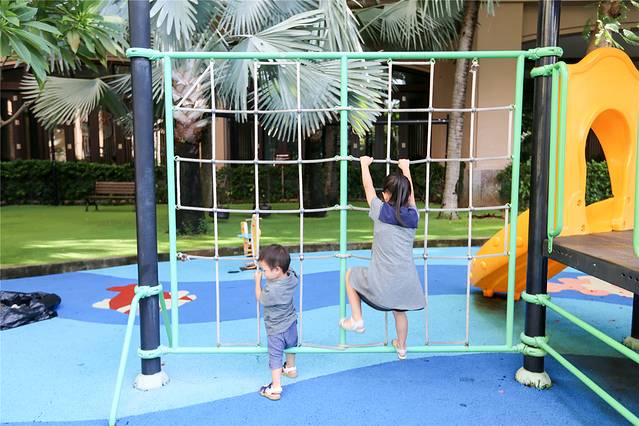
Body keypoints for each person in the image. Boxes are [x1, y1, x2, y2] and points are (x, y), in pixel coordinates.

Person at [340, 156, 425, 360]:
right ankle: (401, 347)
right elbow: (411, 197)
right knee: (399, 311)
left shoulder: (380, 210)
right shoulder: (414, 216)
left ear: (386, 195)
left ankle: (357, 319)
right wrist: (405, 168)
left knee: (350, 275)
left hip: (381, 283)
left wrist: (364, 165)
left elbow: (368, 188)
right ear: (407, 196)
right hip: (405, 282)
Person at [254, 244, 299, 400]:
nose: (263, 273)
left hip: (276, 328)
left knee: (275, 355)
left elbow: (260, 298)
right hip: (291, 322)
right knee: (291, 345)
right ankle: (291, 368)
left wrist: (257, 282)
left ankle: (275, 387)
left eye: (264, 270)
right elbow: (291, 270)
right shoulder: (292, 278)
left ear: (277, 270)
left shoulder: (272, 290)